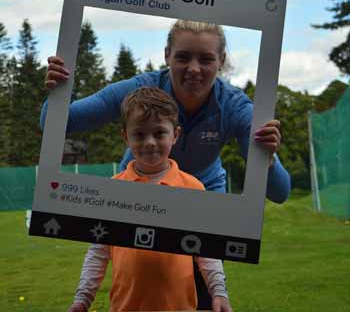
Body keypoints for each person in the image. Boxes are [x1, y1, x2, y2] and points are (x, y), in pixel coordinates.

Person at [43, 20, 291, 309]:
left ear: (221, 61)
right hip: (138, 193)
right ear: (167, 56)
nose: (194, 69)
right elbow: (56, 124)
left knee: (200, 289)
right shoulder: (141, 91)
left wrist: (267, 159)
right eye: (183, 57)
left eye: (206, 59)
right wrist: (60, 89)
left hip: (201, 197)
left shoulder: (235, 106)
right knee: (139, 279)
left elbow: (279, 192)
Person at [67, 87, 232, 312]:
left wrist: (218, 291)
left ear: (175, 134)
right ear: (126, 136)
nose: (150, 142)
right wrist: (82, 299)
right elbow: (98, 251)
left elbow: (206, 250)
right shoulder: (113, 189)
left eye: (159, 133)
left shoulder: (192, 188)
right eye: (140, 134)